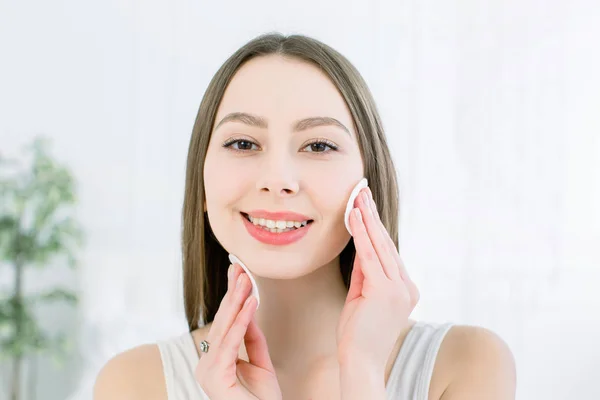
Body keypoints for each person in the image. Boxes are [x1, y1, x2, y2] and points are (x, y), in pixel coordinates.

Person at [93, 32, 516, 400]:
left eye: (318, 146)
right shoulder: (136, 384)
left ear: (369, 181)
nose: (278, 180)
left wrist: (364, 375)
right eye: (242, 143)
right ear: (201, 185)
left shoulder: (466, 366)